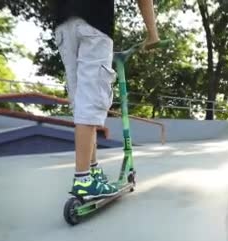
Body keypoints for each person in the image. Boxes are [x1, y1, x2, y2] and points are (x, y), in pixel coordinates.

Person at [52, 0, 160, 200]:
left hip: (62, 24)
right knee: (91, 101)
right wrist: (152, 34)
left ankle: (92, 171)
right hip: (94, 21)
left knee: (81, 103)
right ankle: (83, 180)